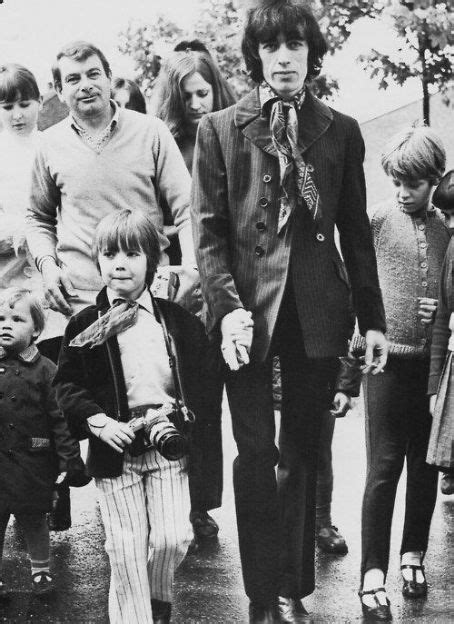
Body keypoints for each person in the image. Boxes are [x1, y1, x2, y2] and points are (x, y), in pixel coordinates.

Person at [191, 2, 387, 622]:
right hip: (244, 315)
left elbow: (355, 231)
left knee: (304, 450)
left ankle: (289, 584)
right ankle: (258, 595)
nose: (284, 58)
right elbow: (208, 234)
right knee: (255, 452)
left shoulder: (340, 129)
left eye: (295, 46)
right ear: (257, 56)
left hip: (317, 312)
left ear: (310, 55)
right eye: (272, 48)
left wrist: (373, 319)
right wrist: (225, 309)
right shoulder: (219, 129)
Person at [54, 209, 216, 624]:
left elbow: (203, 381)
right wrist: (98, 422)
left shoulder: (176, 321)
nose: (119, 263)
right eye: (109, 254)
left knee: (172, 539)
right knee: (124, 549)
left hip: (167, 445)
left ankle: (157, 598)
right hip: (116, 449)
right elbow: (66, 387)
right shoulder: (85, 324)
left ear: (153, 261)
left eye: (131, 253)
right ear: (98, 261)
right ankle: (136, 616)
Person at [26, 40, 195, 363]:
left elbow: (188, 208)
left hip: (146, 294)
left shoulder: (152, 132)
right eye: (73, 79)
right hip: (80, 299)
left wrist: (191, 268)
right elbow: (37, 217)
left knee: (150, 398)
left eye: (93, 74)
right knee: (89, 403)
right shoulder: (48, 145)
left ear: (108, 78)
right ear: (60, 91)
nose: (86, 85)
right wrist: (48, 268)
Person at [352, 126, 448, 621]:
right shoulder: (377, 221)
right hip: (385, 363)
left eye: (414, 184)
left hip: (430, 366)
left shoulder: (446, 228)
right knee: (384, 466)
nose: (404, 193)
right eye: (397, 183)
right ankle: (372, 573)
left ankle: (413, 555)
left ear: (434, 180)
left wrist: (442, 308)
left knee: (425, 465)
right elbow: (357, 285)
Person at [156, 44, 236, 540]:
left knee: (223, 407)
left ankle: (205, 501)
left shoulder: (233, 133)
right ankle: (186, 504)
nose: (197, 104)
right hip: (182, 289)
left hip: (228, 287)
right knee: (191, 401)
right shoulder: (165, 142)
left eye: (204, 93)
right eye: (187, 97)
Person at [0, 287, 88, 598]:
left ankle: (40, 571)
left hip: (31, 462)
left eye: (17, 319)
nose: (6, 325)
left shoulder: (46, 370)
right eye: (0, 319)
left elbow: (60, 419)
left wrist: (68, 458)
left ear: (37, 329)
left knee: (33, 517)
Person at [427, 169, 454, 495]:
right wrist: (435, 385)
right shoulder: (451, 251)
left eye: (452, 215)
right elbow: (442, 318)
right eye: (446, 215)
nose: (448, 224)